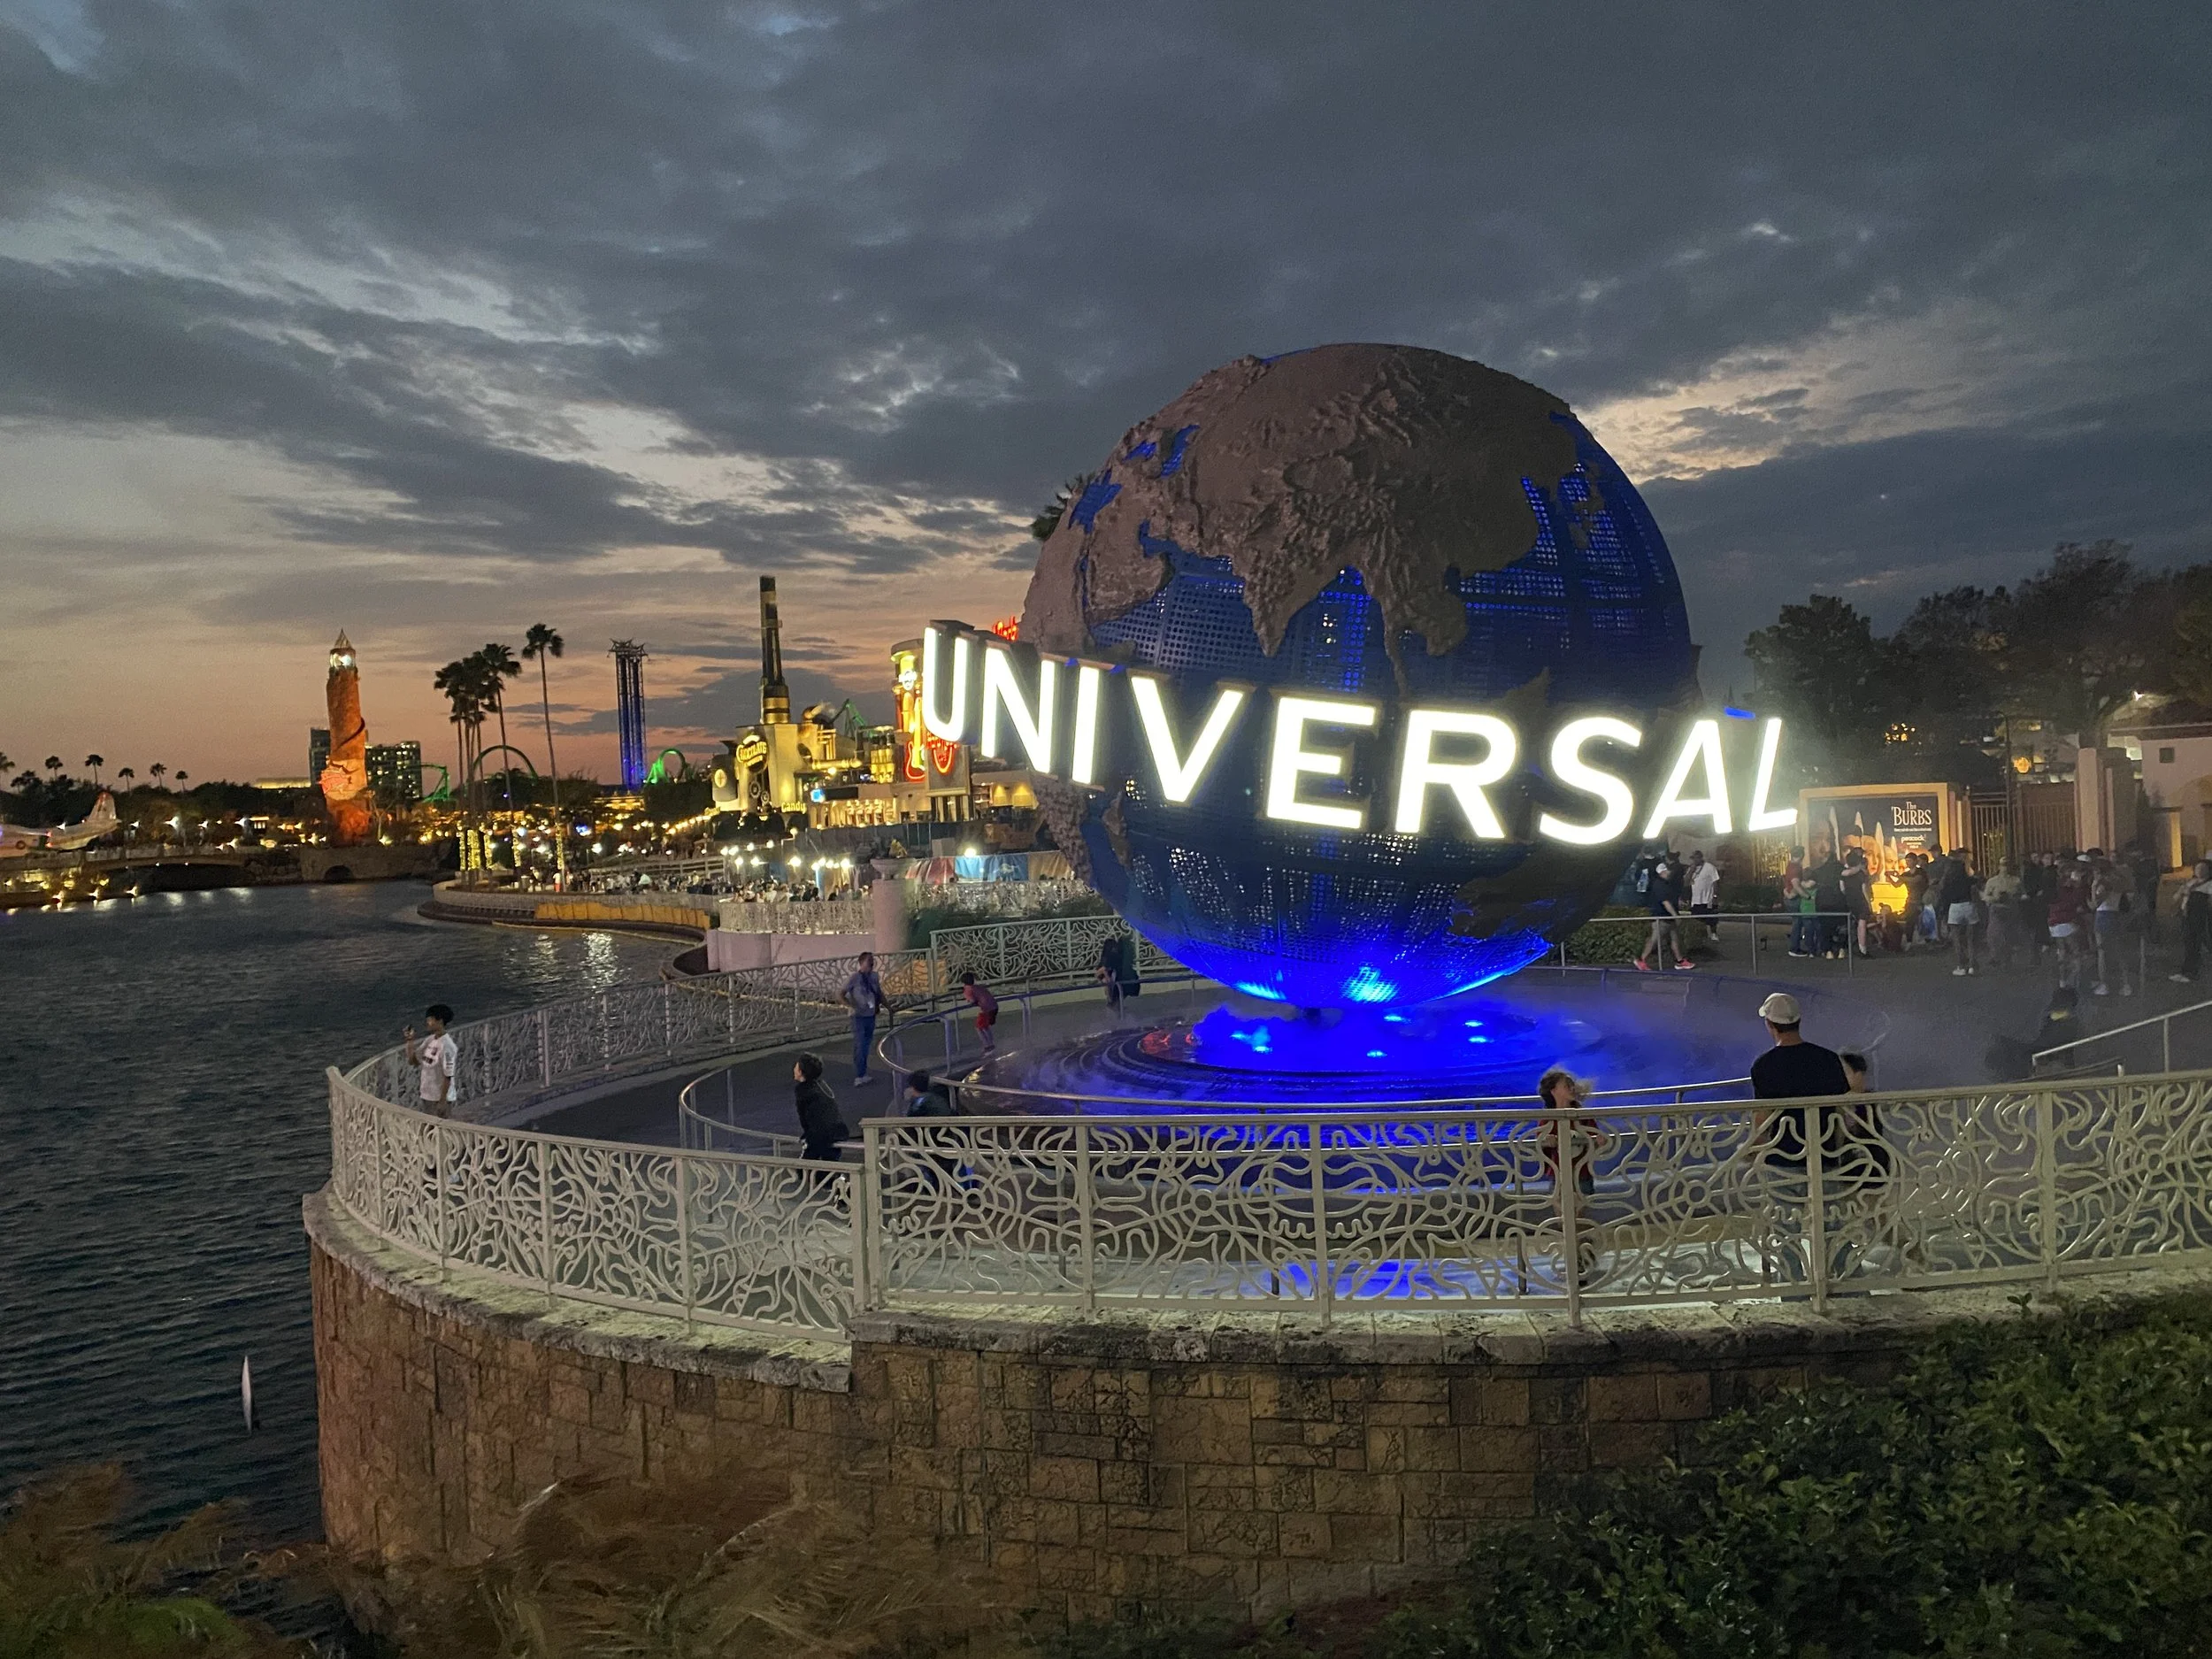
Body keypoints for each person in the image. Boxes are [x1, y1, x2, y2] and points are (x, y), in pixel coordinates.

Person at [1748, 990, 1852, 1164]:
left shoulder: (1764, 1065)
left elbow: (1763, 1118)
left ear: (1769, 1024)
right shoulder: (1828, 1059)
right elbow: (1841, 1110)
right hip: (1825, 1156)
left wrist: (1751, 1149)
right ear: (1799, 1021)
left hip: (1782, 1159)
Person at [1535, 1067, 1607, 1284]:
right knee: (1565, 1223)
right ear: (1554, 1091)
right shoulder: (1547, 1119)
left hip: (1580, 1175)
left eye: (1570, 1084)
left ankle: (1578, 1265)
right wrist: (1546, 1142)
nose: (1571, 1087)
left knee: (1576, 1221)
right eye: (1566, 1084)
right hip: (1559, 1176)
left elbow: (1597, 1137)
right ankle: (1580, 1260)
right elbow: (1540, 1144)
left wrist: (1598, 1140)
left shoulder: (1582, 1115)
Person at [1635, 853, 1693, 972]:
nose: (1668, 873)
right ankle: (1641, 959)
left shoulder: (1664, 884)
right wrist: (1676, 916)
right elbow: (1665, 902)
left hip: (1667, 917)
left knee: (1675, 939)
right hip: (1661, 917)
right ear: (1661, 872)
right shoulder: (1660, 885)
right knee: (1654, 940)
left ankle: (1680, 961)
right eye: (1666, 871)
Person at [403, 1003, 458, 1118]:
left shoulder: (447, 1046)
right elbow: (413, 1061)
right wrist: (410, 1041)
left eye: (430, 1020)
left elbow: (448, 1075)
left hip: (438, 1098)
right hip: (427, 1095)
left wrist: (442, 1101)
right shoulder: (430, 1040)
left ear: (440, 1021)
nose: (427, 1023)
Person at [2090, 858, 2136, 997]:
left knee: (2102, 952)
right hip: (2115, 915)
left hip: (2103, 916)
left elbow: (2096, 904)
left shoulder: (2103, 884)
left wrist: (2093, 887)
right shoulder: (2118, 881)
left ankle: (2104, 984)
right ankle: (2126, 984)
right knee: (2119, 951)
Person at [840, 951, 887, 1086]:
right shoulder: (854, 978)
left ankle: (863, 1072)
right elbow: (841, 993)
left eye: (872, 961)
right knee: (860, 1044)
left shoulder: (874, 976)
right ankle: (859, 1074)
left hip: (870, 1014)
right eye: (869, 961)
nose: (872, 963)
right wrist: (851, 1005)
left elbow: (878, 993)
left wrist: (886, 1006)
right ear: (861, 963)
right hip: (858, 1016)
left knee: (866, 1044)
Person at [792, 1052, 848, 1162]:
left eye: (796, 1067)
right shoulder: (821, 1085)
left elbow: (804, 1117)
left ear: (801, 1072)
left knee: (804, 1166)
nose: (794, 1069)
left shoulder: (803, 1091)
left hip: (820, 1134)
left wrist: (807, 1135)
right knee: (831, 1163)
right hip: (837, 1131)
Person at [1939, 850, 1981, 976]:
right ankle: (1972, 965)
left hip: (1955, 907)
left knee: (1956, 938)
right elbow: (1977, 882)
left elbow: (1943, 894)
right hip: (1968, 905)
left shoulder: (1948, 880)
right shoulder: (1968, 879)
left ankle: (1961, 966)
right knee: (1971, 938)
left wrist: (1944, 912)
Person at [2172, 860, 2212, 983]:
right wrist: (2181, 892)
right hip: (2187, 917)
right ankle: (2185, 971)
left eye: (2203, 868)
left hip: (2199, 918)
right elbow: (2176, 897)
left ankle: (2192, 972)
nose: (2200, 871)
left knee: (2196, 944)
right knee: (2188, 944)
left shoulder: (2209, 885)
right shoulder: (2191, 882)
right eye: (2198, 868)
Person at [1686, 849, 1721, 947]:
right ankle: (1700, 936)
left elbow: (1715, 881)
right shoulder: (1691, 868)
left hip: (1707, 898)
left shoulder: (1709, 867)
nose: (1694, 860)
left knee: (1711, 917)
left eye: (1696, 858)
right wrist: (1691, 871)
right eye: (1693, 858)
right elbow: (1686, 882)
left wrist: (1715, 896)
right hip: (1696, 900)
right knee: (1697, 919)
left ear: (1700, 858)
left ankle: (1713, 933)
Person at [959, 971, 1000, 1053]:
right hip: (994, 1006)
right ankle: (990, 1045)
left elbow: (972, 1000)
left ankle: (988, 1046)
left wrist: (970, 1002)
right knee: (985, 1027)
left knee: (980, 1027)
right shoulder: (978, 987)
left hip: (985, 1009)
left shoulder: (967, 990)